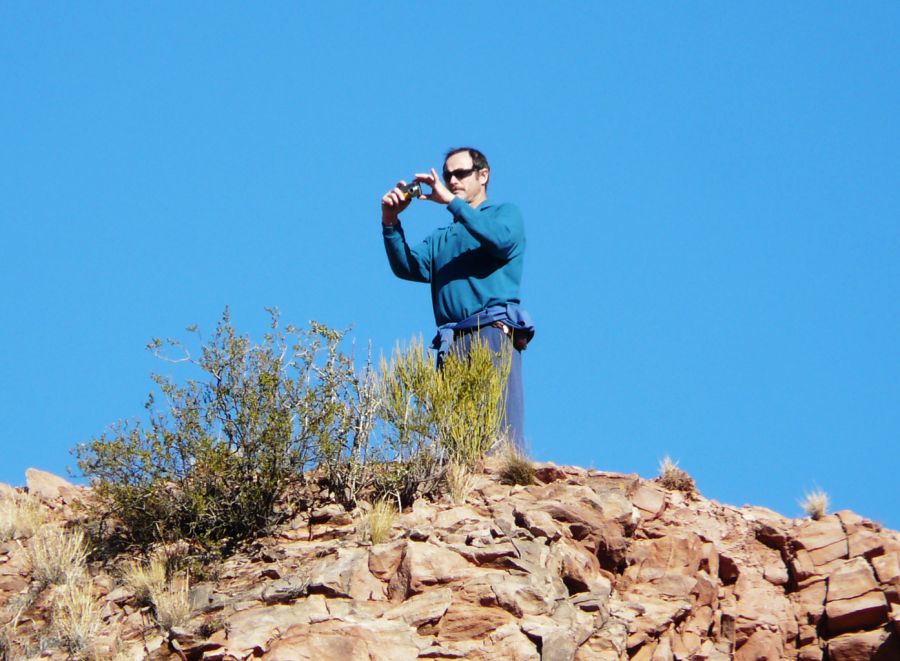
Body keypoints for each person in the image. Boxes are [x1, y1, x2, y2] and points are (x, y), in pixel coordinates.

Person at [380, 147, 534, 449]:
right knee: (456, 438)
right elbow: (408, 267)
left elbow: (501, 241)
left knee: (499, 433)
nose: (452, 180)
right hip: (451, 341)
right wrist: (390, 223)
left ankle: (503, 485)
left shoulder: (505, 214)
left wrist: (452, 203)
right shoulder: (443, 237)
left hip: (490, 331)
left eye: (460, 173)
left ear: (483, 175)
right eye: (447, 175)